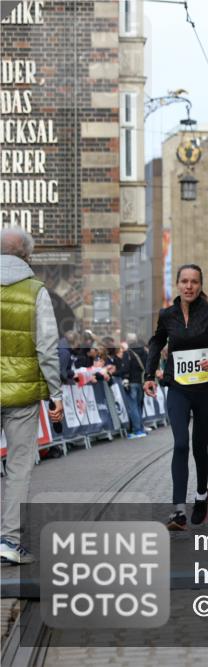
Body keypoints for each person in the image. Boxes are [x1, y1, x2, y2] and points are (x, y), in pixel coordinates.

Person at [144, 264, 208, 530]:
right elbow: (156, 342)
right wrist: (149, 374)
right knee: (180, 445)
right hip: (178, 388)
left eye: (194, 282)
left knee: (199, 448)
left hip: (206, 391)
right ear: (177, 284)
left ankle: (200, 495)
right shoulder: (167, 315)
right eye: (184, 281)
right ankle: (178, 511)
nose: (189, 286)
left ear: (200, 285)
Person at [0, 228, 64, 564]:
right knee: (18, 467)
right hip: (21, 394)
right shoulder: (36, 291)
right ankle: (9, 540)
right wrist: (56, 394)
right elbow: (47, 347)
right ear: (27, 256)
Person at [117, 335, 149, 438]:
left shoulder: (128, 353)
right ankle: (141, 428)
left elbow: (125, 368)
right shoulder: (144, 352)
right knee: (139, 406)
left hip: (131, 382)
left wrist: (118, 374)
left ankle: (137, 430)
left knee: (133, 407)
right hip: (141, 382)